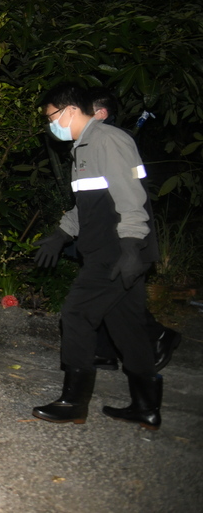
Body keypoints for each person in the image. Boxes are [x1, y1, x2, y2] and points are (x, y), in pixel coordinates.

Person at [32, 83, 162, 429]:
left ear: (70, 110)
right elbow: (87, 203)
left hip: (117, 250)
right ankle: (146, 407)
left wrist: (132, 247)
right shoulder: (84, 146)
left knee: (76, 314)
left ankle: (73, 402)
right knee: (127, 327)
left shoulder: (107, 140)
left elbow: (130, 197)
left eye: (51, 116)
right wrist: (62, 234)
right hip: (111, 248)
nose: (50, 123)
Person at [85, 86, 181, 372]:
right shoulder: (93, 142)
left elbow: (127, 196)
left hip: (120, 233)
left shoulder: (111, 141)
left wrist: (129, 239)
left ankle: (157, 337)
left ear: (101, 113)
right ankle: (105, 350)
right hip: (103, 231)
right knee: (113, 294)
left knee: (113, 293)